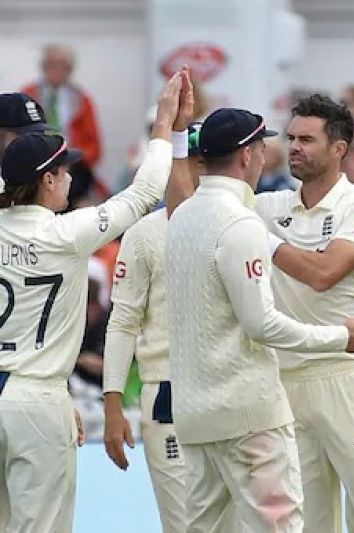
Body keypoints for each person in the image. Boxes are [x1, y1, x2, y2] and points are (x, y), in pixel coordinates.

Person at [165, 104, 354, 532]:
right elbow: (261, 325)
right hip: (247, 412)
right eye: (262, 148)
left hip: (193, 413)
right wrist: (340, 338)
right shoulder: (240, 223)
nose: (266, 157)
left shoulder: (182, 216)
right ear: (247, 155)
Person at [0, 72, 184, 533]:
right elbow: (144, 193)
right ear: (46, 180)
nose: (70, 178)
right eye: (64, 171)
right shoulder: (68, 233)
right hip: (37, 395)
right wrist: (164, 125)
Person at [257, 94, 354, 533]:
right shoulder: (268, 207)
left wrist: (262, 239)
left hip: (348, 374)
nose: (294, 147)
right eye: (291, 138)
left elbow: (323, 275)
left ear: (339, 148)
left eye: (307, 140)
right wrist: (174, 135)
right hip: (287, 378)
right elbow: (194, 203)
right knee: (306, 523)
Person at [102, 110, 202, 531]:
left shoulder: (248, 222)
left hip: (232, 393)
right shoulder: (144, 234)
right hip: (168, 393)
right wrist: (112, 404)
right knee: (183, 523)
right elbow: (123, 321)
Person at [21, 44, 102, 169]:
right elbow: (17, 136)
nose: (56, 69)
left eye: (62, 65)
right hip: (37, 160)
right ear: (43, 66)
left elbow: (93, 145)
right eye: (51, 64)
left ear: (70, 69)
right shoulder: (27, 96)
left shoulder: (81, 99)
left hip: (72, 162)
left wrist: (74, 159)